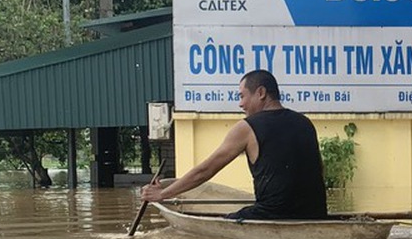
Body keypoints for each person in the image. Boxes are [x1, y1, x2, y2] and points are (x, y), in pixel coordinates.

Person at [140, 69, 328, 220]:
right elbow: (320, 169)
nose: (240, 104)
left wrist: (162, 195)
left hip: (272, 215)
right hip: (316, 214)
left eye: (242, 96)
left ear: (261, 93)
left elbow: (205, 170)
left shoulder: (247, 127)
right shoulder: (305, 122)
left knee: (221, 228)